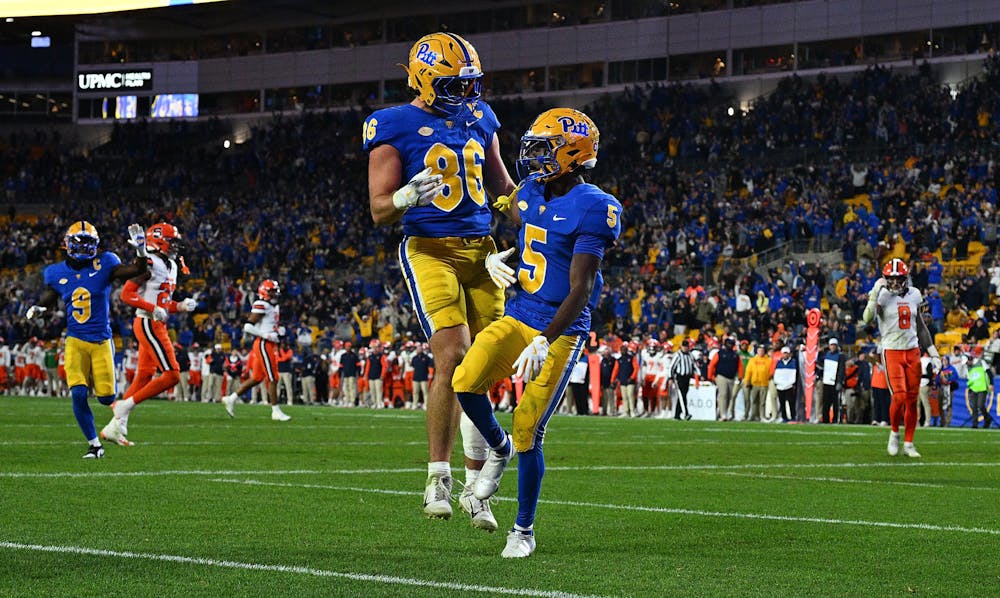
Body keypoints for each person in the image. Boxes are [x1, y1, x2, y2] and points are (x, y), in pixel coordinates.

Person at [452, 107, 621, 557]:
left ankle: (522, 530)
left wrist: (546, 338)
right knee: (465, 381)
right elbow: (527, 240)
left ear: (573, 154)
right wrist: (496, 257)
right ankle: (497, 447)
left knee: (529, 426)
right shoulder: (529, 192)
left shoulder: (595, 206)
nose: (533, 158)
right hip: (518, 312)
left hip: (559, 330)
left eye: (544, 149)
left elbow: (581, 287)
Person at [364, 32, 517, 527]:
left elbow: (504, 190)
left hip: (483, 252)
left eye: (470, 83)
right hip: (430, 250)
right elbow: (379, 209)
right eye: (454, 83)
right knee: (451, 352)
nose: (465, 93)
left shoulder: (480, 116)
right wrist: (407, 196)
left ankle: (478, 487)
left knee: (486, 364)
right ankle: (438, 476)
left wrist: (550, 216)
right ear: (425, 80)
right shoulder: (394, 124)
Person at [24, 221, 148, 458]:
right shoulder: (56, 272)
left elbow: (136, 271)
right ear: (67, 244)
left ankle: (108, 419)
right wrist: (39, 308)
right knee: (78, 393)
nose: (82, 247)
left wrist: (141, 251)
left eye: (87, 243)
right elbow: (51, 296)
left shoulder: (105, 263)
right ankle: (94, 445)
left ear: (96, 245)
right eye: (78, 242)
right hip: (75, 341)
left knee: (106, 398)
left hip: (101, 341)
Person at [101, 223, 197, 446]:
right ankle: (124, 406)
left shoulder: (170, 265)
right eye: (172, 241)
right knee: (172, 374)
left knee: (144, 374)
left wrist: (180, 306)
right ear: (160, 240)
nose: (175, 246)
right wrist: (152, 308)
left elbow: (162, 302)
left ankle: (115, 427)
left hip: (155, 322)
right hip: (147, 322)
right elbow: (126, 294)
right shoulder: (150, 262)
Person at [862, 258, 941, 457]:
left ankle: (909, 443)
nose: (895, 283)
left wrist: (933, 352)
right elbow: (867, 319)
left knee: (912, 400)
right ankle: (895, 433)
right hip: (891, 351)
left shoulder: (914, 294)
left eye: (899, 279)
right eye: (891, 279)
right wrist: (874, 293)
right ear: (885, 279)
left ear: (906, 278)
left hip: (912, 350)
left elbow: (921, 326)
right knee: (899, 396)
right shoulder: (881, 295)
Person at [222, 279, 292, 421]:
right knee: (273, 377)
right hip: (263, 344)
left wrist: (279, 331)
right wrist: (266, 335)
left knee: (256, 378)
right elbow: (248, 326)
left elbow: (270, 324)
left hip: (268, 344)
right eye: (272, 291)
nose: (275, 293)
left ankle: (231, 398)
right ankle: (276, 411)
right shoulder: (262, 304)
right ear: (265, 292)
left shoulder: (273, 306)